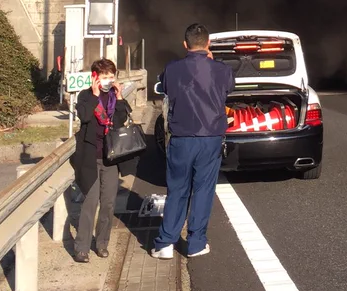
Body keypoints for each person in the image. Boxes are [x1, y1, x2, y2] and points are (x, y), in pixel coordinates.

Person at [151, 23, 234, 260]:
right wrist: (213, 61)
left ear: (185, 45)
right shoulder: (222, 70)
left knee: (177, 189)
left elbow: (164, 88)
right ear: (208, 44)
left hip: (181, 138)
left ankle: (166, 242)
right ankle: (196, 243)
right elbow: (228, 88)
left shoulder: (172, 69)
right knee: (203, 190)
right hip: (210, 138)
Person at [72, 58, 131, 262]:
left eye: (111, 76)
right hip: (90, 157)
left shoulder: (115, 97)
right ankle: (81, 248)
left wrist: (121, 97)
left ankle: (102, 244)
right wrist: (96, 96)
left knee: (108, 203)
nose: (108, 80)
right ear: (95, 77)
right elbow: (85, 117)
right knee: (90, 203)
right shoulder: (85, 96)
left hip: (110, 158)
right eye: (104, 77)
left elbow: (122, 119)